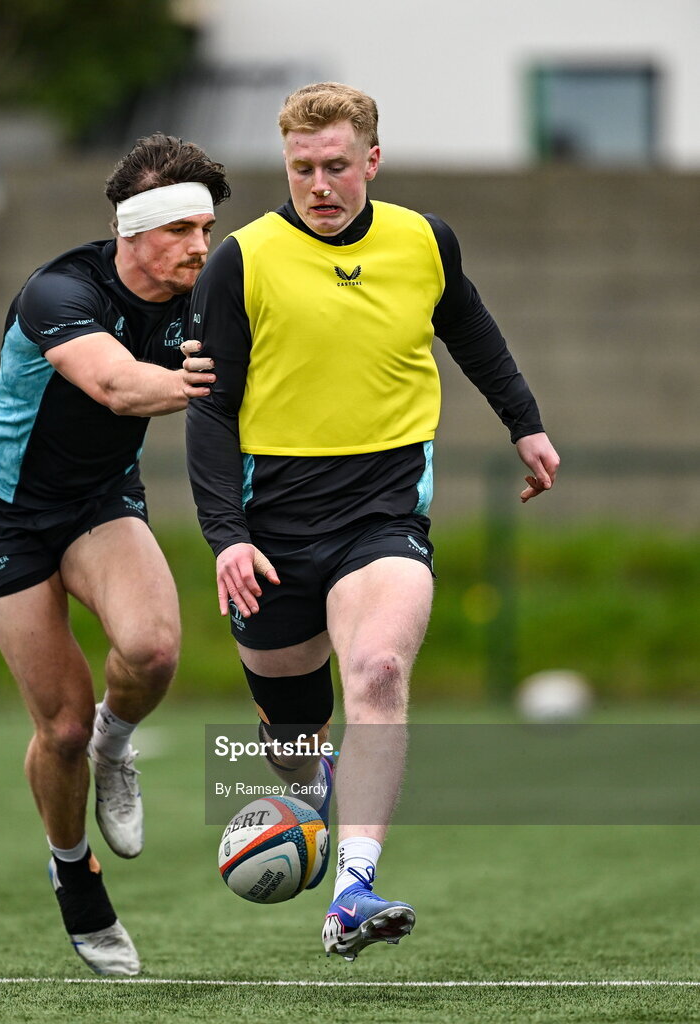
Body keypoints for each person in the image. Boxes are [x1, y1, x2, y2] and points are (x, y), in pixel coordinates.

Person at [183, 83, 559, 961]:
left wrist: (524, 420)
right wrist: (226, 535)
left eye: (336, 167)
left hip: (382, 511)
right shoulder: (240, 260)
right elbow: (207, 411)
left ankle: (352, 889)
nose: (319, 185)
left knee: (381, 670)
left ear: (372, 162)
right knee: (287, 733)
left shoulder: (423, 240)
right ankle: (315, 788)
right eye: (302, 169)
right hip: (271, 524)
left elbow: (468, 326)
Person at [0, 133, 229, 977]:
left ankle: (118, 747)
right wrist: (218, 386)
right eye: (180, 229)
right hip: (2, 511)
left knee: (152, 650)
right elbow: (113, 384)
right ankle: (74, 877)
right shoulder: (60, 290)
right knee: (59, 723)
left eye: (205, 228)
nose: (198, 245)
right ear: (132, 230)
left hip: (98, 501)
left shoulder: (208, 294)